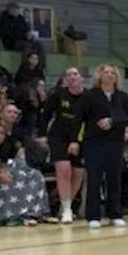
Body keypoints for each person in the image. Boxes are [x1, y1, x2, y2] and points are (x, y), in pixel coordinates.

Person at [78, 64, 128, 229]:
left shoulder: (123, 97)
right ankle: (93, 216)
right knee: (94, 179)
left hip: (115, 143)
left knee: (114, 179)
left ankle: (115, 214)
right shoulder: (89, 95)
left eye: (113, 73)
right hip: (94, 142)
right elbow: (81, 118)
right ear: (99, 76)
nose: (110, 75)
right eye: (106, 72)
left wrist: (112, 122)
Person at [45, 68, 87, 224]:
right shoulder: (58, 94)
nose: (72, 77)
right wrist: (43, 134)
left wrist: (77, 140)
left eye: (75, 74)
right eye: (68, 74)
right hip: (58, 137)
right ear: (65, 79)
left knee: (77, 174)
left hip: (80, 138)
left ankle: (66, 205)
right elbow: (46, 114)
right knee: (64, 170)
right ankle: (67, 209)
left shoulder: (88, 96)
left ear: (81, 77)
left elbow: (88, 120)